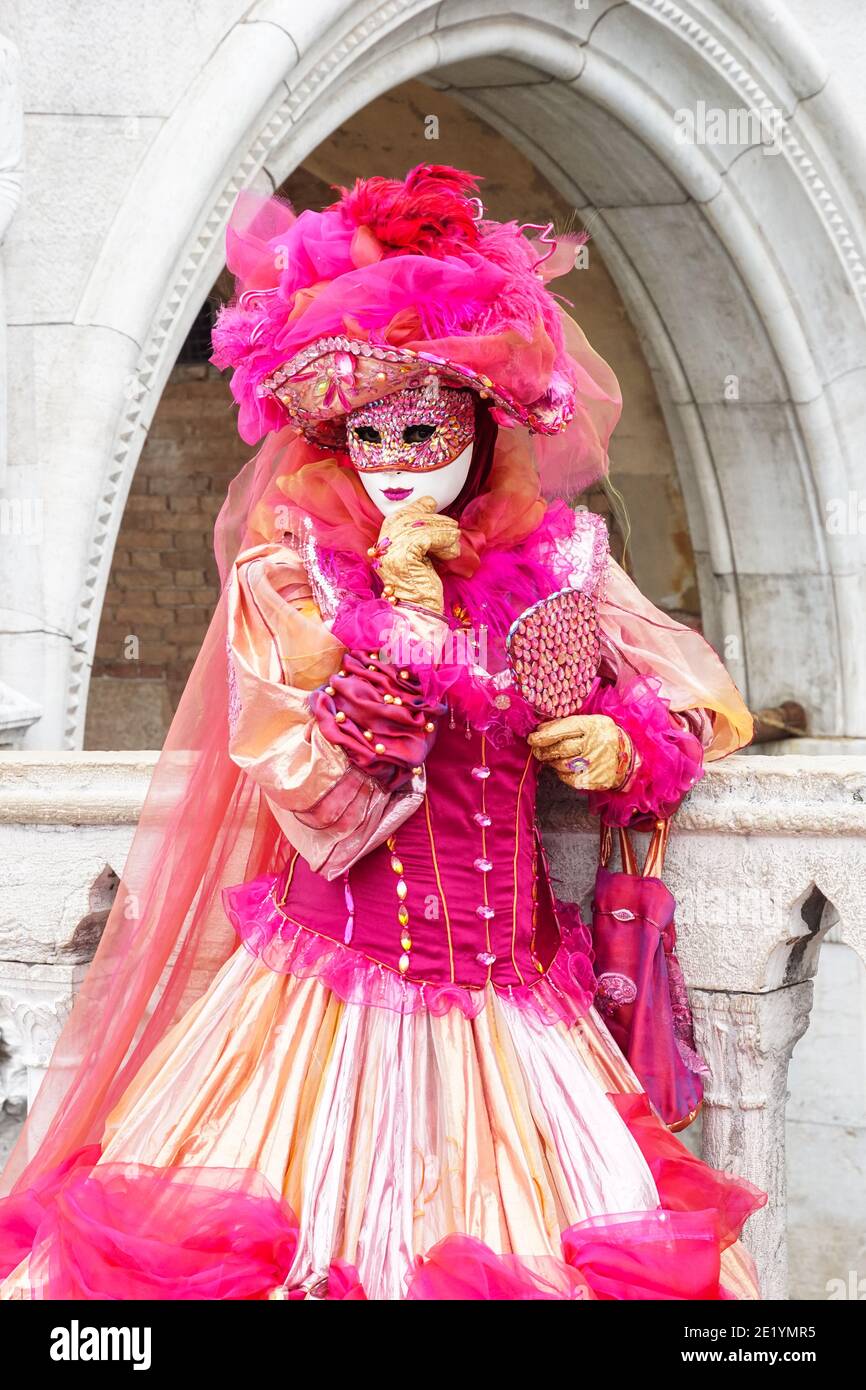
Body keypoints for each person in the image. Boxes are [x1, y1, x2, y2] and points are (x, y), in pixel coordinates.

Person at [0, 165, 763, 1300]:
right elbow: (306, 787)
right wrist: (398, 635)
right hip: (322, 999)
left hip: (514, 1011)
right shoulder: (293, 572)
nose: (399, 455)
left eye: (426, 422)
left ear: (483, 423)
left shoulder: (563, 565)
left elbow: (693, 696)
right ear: (333, 433)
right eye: (371, 428)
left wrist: (623, 738)